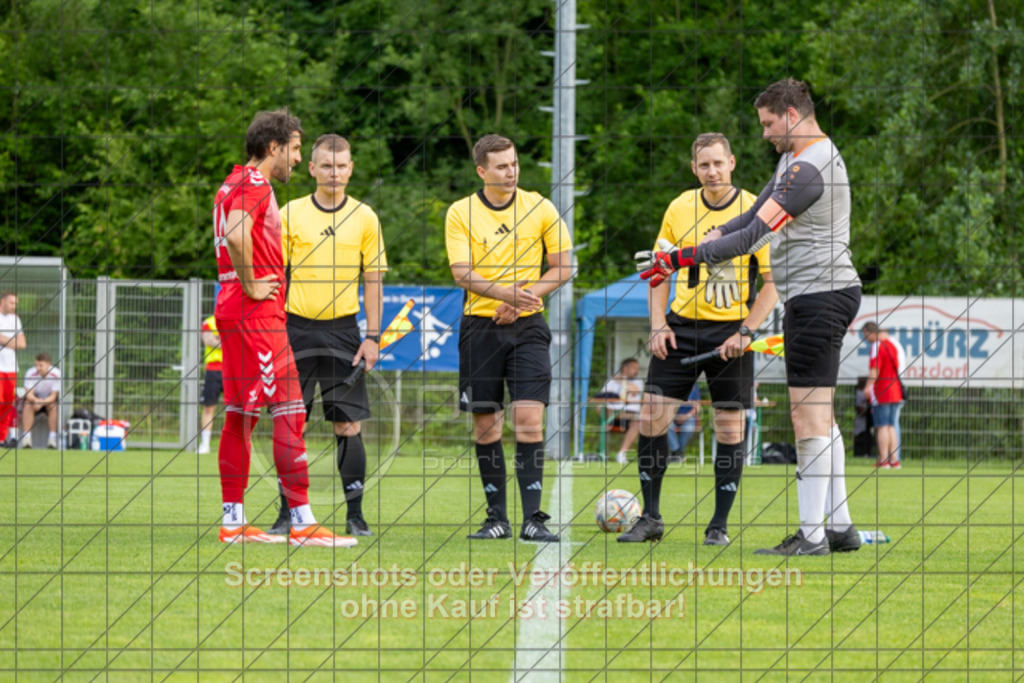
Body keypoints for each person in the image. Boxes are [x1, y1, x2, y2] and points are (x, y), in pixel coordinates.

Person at [637, 79, 863, 555]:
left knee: (807, 420)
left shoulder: (808, 169)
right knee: (823, 417)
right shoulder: (795, 162)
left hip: (818, 296)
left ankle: (812, 535)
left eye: (767, 123)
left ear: (792, 115)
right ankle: (840, 528)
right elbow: (751, 214)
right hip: (821, 294)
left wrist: (678, 259)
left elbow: (752, 237)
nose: (763, 134)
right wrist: (712, 232)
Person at [621, 132, 778, 546]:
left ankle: (718, 526)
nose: (712, 171)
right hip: (682, 329)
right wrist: (658, 324)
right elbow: (659, 270)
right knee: (652, 416)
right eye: (703, 165)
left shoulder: (755, 209)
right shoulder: (679, 207)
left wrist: (746, 332)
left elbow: (773, 282)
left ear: (733, 163)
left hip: (732, 334)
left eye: (718, 163)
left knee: (729, 428)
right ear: (694, 168)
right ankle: (650, 518)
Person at [212, 108, 353, 547]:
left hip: (233, 307)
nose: (297, 159)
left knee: (240, 414)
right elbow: (237, 234)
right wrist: (253, 281)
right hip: (257, 313)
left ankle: (233, 522)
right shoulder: (254, 184)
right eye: (293, 149)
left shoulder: (232, 182)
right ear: (273, 147)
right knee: (291, 410)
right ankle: (302, 522)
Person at [445, 133, 573, 542]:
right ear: (481, 171)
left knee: (529, 420)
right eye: (501, 166)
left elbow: (563, 267)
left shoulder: (540, 207)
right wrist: (503, 294)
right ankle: (495, 518)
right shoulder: (460, 212)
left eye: (514, 163)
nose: (511, 171)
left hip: (528, 326)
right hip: (479, 326)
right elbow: (462, 273)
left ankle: (533, 519)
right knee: (486, 426)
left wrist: (523, 299)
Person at [266, 133, 387, 538]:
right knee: (289, 424)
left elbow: (372, 281)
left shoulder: (366, 217)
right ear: (312, 168)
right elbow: (276, 278)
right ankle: (288, 514)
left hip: (344, 332)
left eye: (341, 166)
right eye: (326, 166)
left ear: (350, 168)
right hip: (294, 330)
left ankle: (355, 514)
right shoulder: (290, 212)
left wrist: (372, 336)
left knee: (347, 426)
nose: (334, 173)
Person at [862, 322, 905, 469]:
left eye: (865, 335)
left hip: (883, 391)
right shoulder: (892, 345)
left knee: (882, 426)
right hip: (895, 391)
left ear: (870, 332)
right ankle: (894, 460)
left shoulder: (877, 346)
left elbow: (875, 369)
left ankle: (883, 460)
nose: (865, 338)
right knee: (891, 426)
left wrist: (868, 386)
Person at [597, 358, 644, 464]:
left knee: (639, 421)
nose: (636, 371)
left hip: (630, 416)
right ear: (625, 368)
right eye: (634, 368)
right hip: (612, 415)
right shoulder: (611, 381)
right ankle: (601, 453)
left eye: (637, 368)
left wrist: (622, 380)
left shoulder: (638, 381)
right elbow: (602, 396)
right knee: (600, 407)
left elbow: (635, 390)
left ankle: (622, 453)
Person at [19, 352, 61, 449]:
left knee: (54, 407)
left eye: (41, 365)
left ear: (48, 364)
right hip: (34, 399)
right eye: (36, 365)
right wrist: (36, 400)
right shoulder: (30, 373)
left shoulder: (56, 374)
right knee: (27, 404)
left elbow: (53, 396)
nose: (38, 368)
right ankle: (26, 439)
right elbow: (29, 394)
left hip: (48, 400)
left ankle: (52, 440)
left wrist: (41, 402)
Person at [0, 292, 26, 448]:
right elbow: (16, 342)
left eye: (16, 303)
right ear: (2, 301)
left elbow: (22, 344)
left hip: (10, 367)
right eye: (11, 303)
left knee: (8, 403)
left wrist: (3, 339)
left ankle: (2, 438)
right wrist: (12, 341)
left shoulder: (15, 319)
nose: (14, 306)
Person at [197, 315, 223, 455]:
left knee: (237, 408)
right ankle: (205, 444)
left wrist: (219, 339)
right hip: (213, 371)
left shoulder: (238, 319)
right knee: (208, 407)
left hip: (234, 370)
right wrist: (229, 341)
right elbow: (209, 341)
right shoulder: (209, 322)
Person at [666, 384, 702, 463]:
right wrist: (675, 416)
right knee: (666, 426)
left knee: (689, 428)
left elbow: (698, 406)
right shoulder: (672, 384)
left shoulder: (695, 387)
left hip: (688, 417)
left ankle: (676, 452)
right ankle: (678, 451)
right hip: (672, 416)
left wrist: (686, 416)